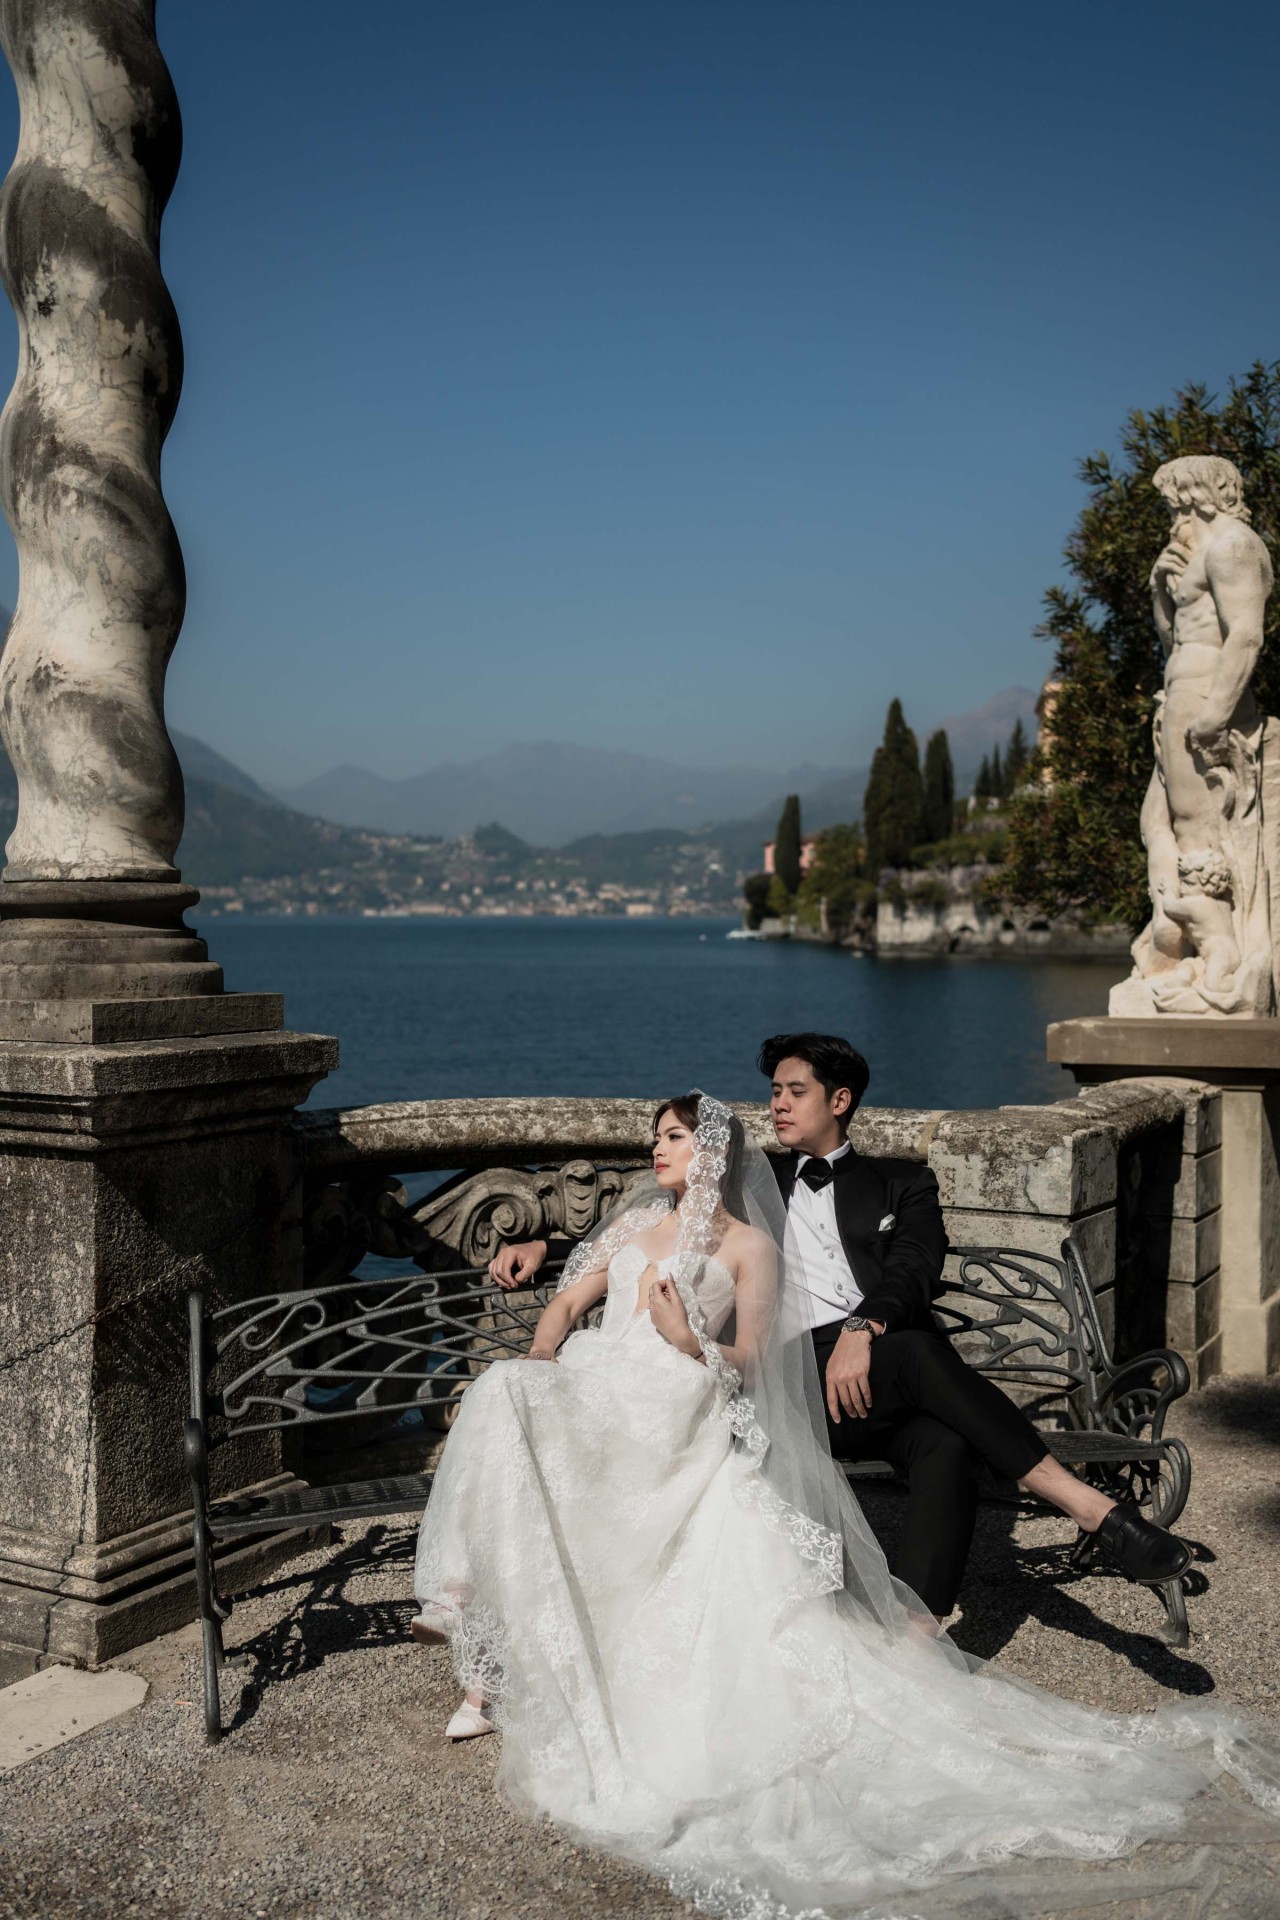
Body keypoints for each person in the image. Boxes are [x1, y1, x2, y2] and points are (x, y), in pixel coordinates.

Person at [413, 1090, 1278, 1920]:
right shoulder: (648, 1217)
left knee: (938, 1422)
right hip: (647, 1383)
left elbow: (846, 1307)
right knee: (506, 1392)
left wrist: (730, 1337)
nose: (659, 1147)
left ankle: (922, 1623)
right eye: (659, 1135)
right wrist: (543, 1323)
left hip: (753, 1380)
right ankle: (466, 1618)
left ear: (833, 1102)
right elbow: (577, 1286)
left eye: (677, 1135)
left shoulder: (836, 1208)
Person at [489, 1031, 1190, 1622]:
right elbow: (651, 1207)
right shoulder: (754, 1181)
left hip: (874, 1369)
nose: (778, 1103)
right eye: (774, 1092)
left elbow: (912, 1270)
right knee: (917, 1358)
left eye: (795, 1091)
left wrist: (862, 1327)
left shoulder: (903, 1185)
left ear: (840, 1100)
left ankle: (916, 1631)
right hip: (784, 1379)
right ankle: (1094, 1510)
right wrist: (545, 1241)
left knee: (943, 1441)